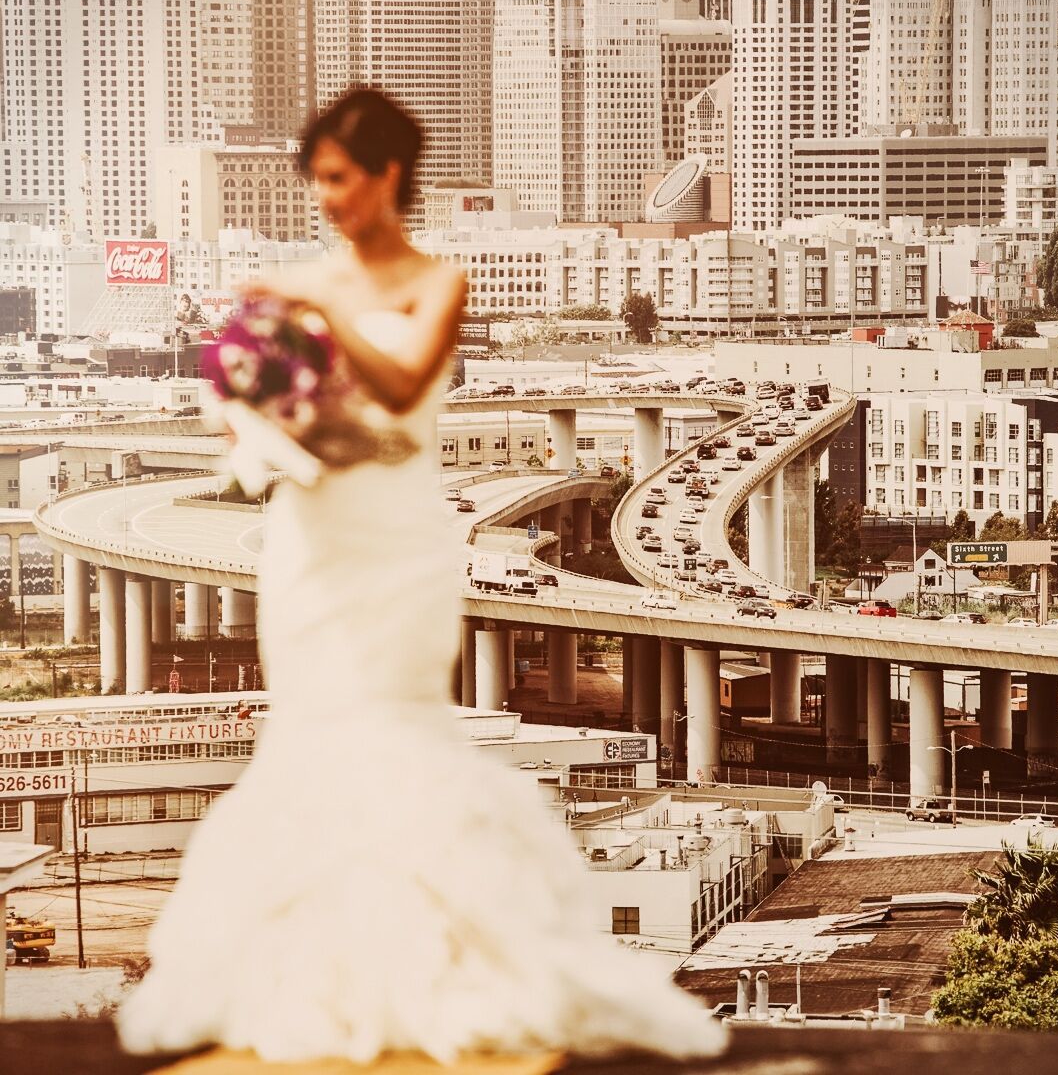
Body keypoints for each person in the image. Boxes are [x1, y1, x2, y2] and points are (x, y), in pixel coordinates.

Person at [117, 88, 725, 1065]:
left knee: (393, 728)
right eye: (314, 181)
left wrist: (320, 313)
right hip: (312, 541)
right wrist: (256, 419)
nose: (325, 200)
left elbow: (401, 390)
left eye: (338, 179)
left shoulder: (434, 282)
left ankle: (435, 963)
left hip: (398, 539)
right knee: (312, 733)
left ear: (387, 175)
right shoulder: (298, 281)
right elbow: (241, 385)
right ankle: (323, 969)